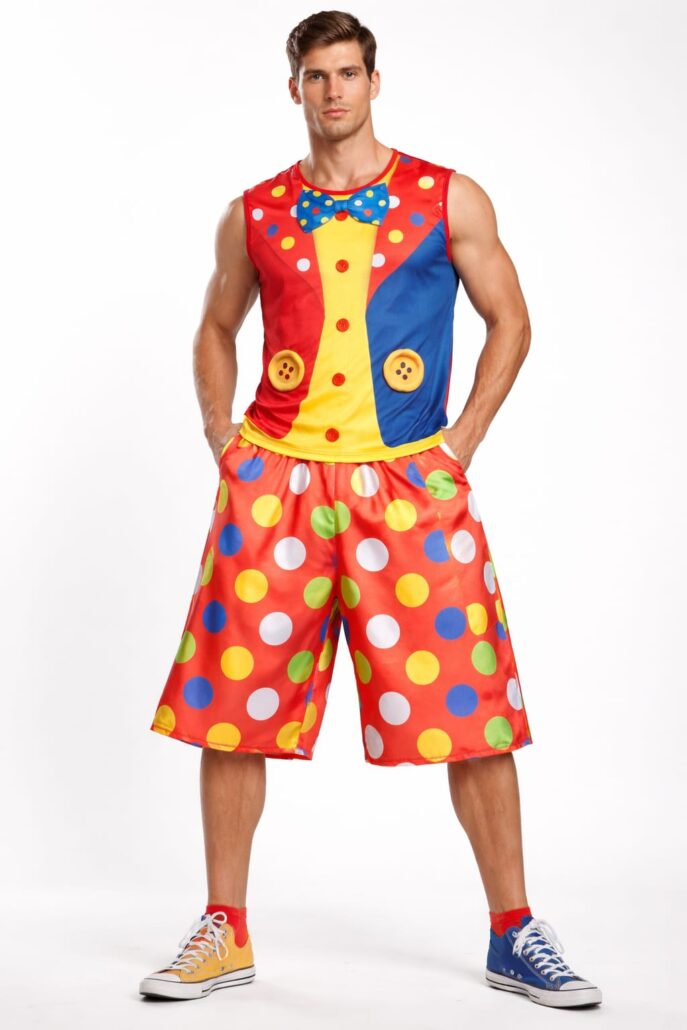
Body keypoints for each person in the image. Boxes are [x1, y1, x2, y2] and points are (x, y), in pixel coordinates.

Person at [139, 10, 602, 1010]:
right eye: (316, 76)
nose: (333, 91)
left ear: (374, 81)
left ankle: (514, 932)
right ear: (294, 88)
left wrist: (460, 441)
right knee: (235, 710)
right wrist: (225, 439)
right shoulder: (254, 213)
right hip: (277, 489)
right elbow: (215, 325)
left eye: (348, 73)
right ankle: (224, 929)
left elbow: (511, 320)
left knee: (471, 708)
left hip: (405, 487)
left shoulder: (447, 197)